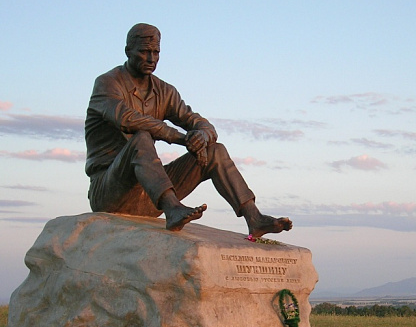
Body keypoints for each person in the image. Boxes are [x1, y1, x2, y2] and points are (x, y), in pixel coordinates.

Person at [85, 23, 292, 235]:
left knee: (214, 151)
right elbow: (128, 120)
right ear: (128, 51)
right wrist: (182, 138)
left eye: (156, 52)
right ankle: (172, 209)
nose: (151, 59)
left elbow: (201, 123)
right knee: (142, 138)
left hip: (147, 196)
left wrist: (200, 137)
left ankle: (254, 217)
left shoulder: (164, 91)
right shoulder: (107, 83)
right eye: (144, 52)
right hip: (109, 193)